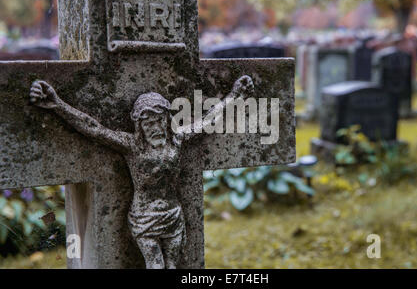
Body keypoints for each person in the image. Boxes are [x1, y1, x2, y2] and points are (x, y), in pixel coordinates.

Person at [29, 75, 254, 269]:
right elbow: (94, 128)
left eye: (158, 121)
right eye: (148, 123)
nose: (154, 128)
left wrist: (235, 95)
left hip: (173, 214)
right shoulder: (131, 145)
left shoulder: (177, 138)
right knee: (155, 264)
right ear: (139, 126)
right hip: (144, 219)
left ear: (166, 120)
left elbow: (208, 121)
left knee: (173, 265)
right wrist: (57, 104)